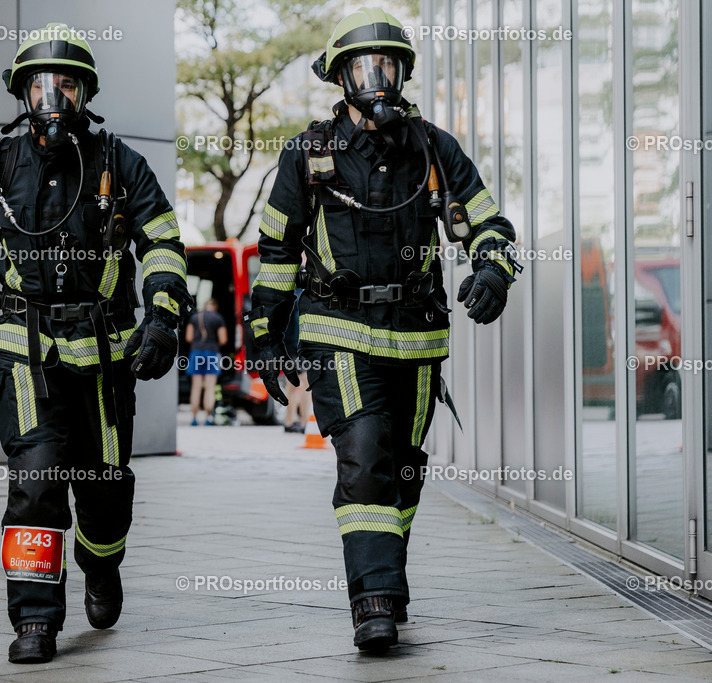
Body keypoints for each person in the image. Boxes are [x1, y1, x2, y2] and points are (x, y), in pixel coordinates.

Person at [245, 8, 520, 652]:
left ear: (402, 73)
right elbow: (278, 253)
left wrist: (494, 272)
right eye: (363, 68)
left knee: (401, 470)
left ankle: (382, 577)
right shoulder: (308, 154)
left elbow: (489, 225)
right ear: (340, 79)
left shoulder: (434, 147)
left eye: (387, 66)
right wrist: (265, 336)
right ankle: (374, 604)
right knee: (364, 454)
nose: (376, 80)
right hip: (336, 330)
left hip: (417, 337)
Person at [0, 24, 192, 665]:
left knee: (102, 489)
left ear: (85, 93)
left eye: (66, 85)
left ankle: (101, 563)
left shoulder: (119, 163)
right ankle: (36, 619)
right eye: (41, 85)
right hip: (24, 354)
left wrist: (161, 318)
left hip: (105, 358)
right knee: (36, 481)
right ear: (23, 96)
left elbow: (163, 244)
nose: (53, 97)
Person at [185, 298, 227, 425]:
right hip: (212, 352)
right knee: (210, 387)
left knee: (196, 387)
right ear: (214, 306)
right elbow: (223, 339)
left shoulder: (194, 317)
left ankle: (194, 418)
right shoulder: (218, 318)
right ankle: (208, 418)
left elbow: (188, 337)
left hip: (196, 352)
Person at [282, 288, 310, 433]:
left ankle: (289, 421)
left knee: (291, 384)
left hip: (286, 345)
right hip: (300, 344)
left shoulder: (284, 295)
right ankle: (305, 422)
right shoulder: (304, 296)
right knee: (306, 383)